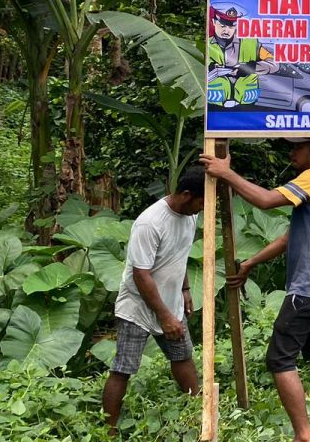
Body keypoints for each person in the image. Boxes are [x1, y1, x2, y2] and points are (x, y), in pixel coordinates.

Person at [200, 138, 310, 442]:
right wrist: (251, 262)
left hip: (309, 284)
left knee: (279, 358)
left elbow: (266, 200)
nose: (291, 153)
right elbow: (289, 237)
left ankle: (304, 435)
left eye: (298, 147)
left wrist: (226, 173)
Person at [103, 167, 205, 434]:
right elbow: (141, 274)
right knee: (123, 367)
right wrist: (165, 316)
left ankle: (199, 411)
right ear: (186, 195)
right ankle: (108, 430)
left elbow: (179, 256)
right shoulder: (150, 222)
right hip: (138, 305)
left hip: (171, 300)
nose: (203, 208)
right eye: (201, 202)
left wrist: (184, 290)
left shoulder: (190, 216)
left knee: (183, 356)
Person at [207, 3, 280, 107]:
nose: (226, 31)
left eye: (231, 27)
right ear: (214, 22)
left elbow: (274, 63)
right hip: (215, 104)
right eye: (222, 26)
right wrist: (210, 70)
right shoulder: (207, 45)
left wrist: (251, 67)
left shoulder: (251, 43)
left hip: (246, 104)